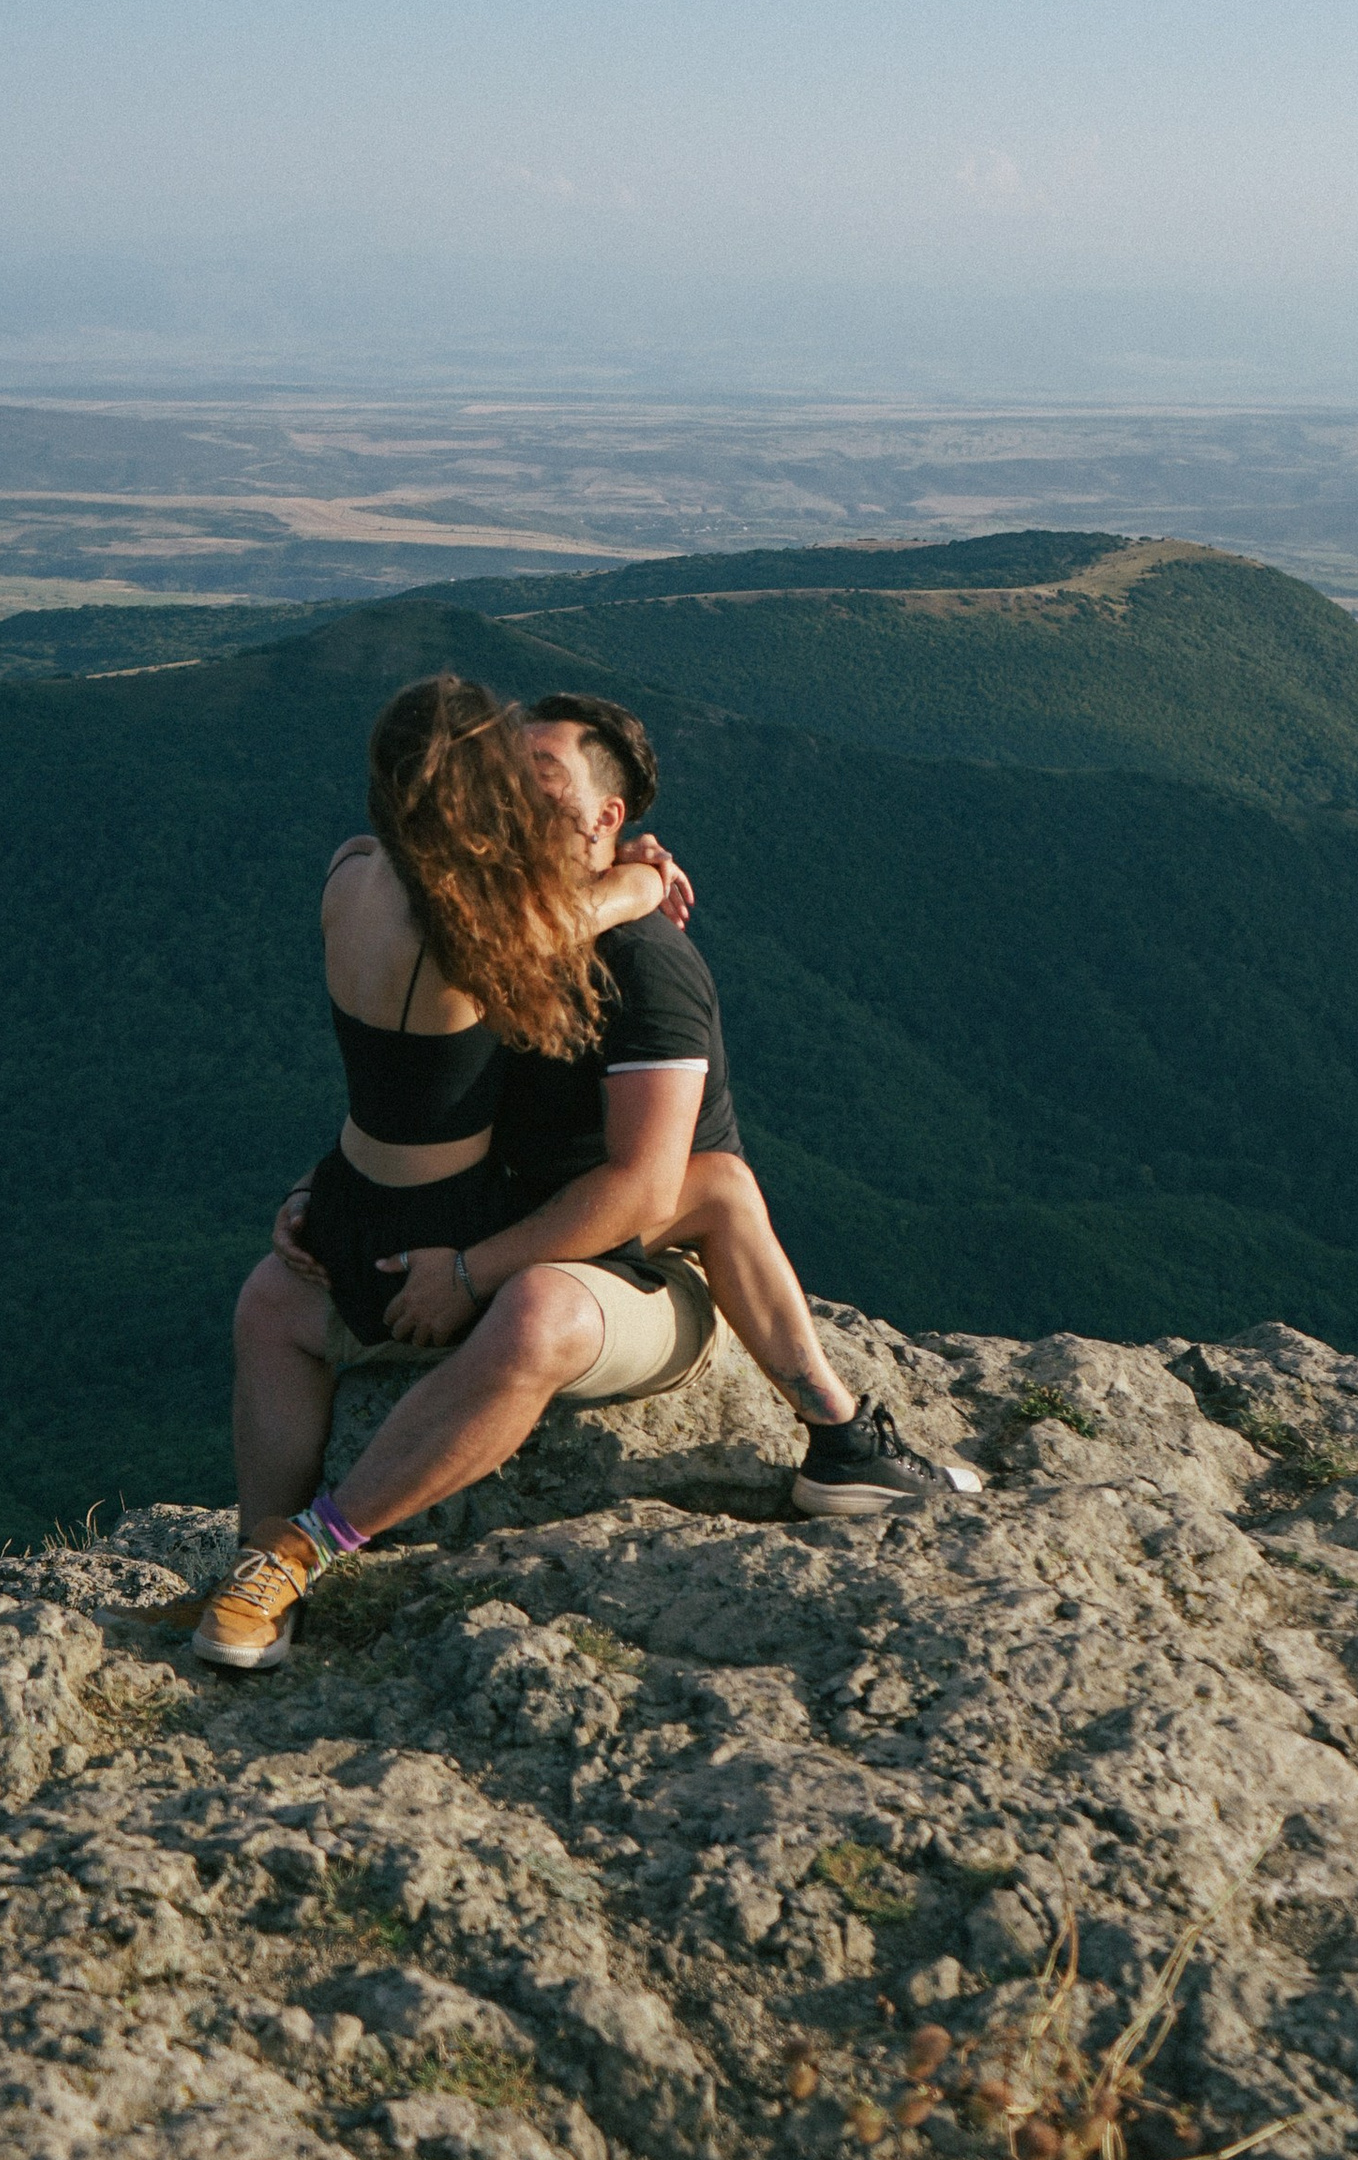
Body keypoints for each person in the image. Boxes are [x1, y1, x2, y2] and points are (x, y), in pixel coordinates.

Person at [196, 678, 975, 1673]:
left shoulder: (643, 965)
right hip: (502, 1220)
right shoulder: (491, 917)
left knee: (551, 1303)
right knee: (273, 1302)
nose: (514, 790)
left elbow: (648, 1192)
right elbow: (421, 1088)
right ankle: (252, 1564)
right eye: (499, 771)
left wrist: (468, 1272)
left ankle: (305, 1549)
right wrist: (326, 1203)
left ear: (605, 813)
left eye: (540, 773)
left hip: (631, 1271)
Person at [199, 670, 704, 1670]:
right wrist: (642, 881)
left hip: (346, 1195)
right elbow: (548, 929)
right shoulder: (472, 928)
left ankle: (256, 1561)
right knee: (595, 1263)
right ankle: (301, 1556)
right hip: (445, 1215)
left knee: (270, 1308)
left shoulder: (350, 868)